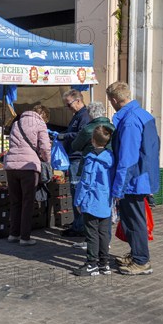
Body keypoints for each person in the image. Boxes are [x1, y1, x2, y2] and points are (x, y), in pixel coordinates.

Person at [106, 82, 159, 275]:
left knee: (134, 221)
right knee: (134, 220)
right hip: (143, 175)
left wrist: (118, 188)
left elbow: (127, 159)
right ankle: (137, 253)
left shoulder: (129, 121)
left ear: (114, 100)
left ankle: (141, 260)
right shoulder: (144, 114)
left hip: (134, 179)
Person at [69, 101, 116, 249]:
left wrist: (78, 201)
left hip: (90, 165)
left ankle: (90, 240)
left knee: (89, 202)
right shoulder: (113, 128)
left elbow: (75, 146)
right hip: (110, 167)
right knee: (105, 204)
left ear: (90, 114)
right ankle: (105, 242)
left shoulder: (89, 129)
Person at [5, 105, 52, 246]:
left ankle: (13, 234)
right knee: (27, 202)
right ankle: (25, 237)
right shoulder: (40, 124)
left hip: (11, 165)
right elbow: (45, 146)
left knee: (15, 202)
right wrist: (47, 160)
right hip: (29, 167)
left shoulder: (16, 123)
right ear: (43, 115)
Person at [73, 126, 114, 276]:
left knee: (92, 234)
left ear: (92, 140)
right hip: (105, 201)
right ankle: (104, 263)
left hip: (91, 202)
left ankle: (92, 264)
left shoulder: (91, 159)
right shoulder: (110, 157)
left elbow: (85, 183)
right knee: (104, 234)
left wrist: (78, 201)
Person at [56, 89, 90, 237]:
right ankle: (77, 223)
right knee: (74, 192)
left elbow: (83, 134)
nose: (68, 108)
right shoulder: (77, 115)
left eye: (68, 105)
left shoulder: (84, 116)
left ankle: (80, 227)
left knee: (77, 193)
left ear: (78, 101)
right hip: (73, 157)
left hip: (78, 158)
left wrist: (64, 136)